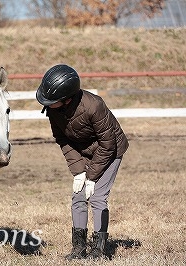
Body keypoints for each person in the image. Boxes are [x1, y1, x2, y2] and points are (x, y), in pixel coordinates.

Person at [36, 64, 129, 260]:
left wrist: (92, 177)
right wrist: (79, 171)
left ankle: (99, 250)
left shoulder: (94, 105)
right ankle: (78, 248)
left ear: (67, 99)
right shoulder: (54, 110)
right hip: (83, 151)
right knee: (78, 196)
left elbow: (107, 144)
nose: (47, 103)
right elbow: (63, 139)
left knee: (96, 197)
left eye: (51, 100)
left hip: (109, 150)